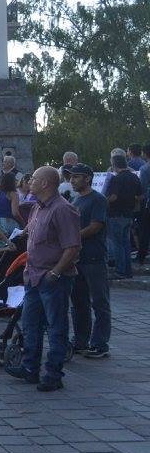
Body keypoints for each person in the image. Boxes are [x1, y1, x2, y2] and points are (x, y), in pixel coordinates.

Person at [6, 166, 80, 392]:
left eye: (34, 179)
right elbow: (28, 233)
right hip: (33, 276)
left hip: (52, 278)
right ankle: (30, 369)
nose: (30, 181)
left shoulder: (63, 209)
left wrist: (55, 272)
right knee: (31, 325)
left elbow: (73, 247)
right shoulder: (37, 207)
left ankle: (53, 374)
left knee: (56, 327)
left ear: (46, 184)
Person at [67, 164, 110, 359]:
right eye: (71, 177)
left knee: (99, 302)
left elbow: (95, 226)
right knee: (78, 302)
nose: (72, 180)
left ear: (88, 178)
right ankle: (81, 341)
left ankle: (100, 344)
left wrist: (72, 236)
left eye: (77, 177)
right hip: (77, 258)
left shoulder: (98, 199)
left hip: (94, 257)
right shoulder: (75, 199)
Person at [106, 152, 141, 280]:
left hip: (116, 214)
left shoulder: (117, 178)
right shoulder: (134, 177)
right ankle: (127, 271)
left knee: (117, 244)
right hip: (128, 214)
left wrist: (104, 201)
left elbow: (114, 197)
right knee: (126, 243)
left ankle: (120, 271)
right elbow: (140, 196)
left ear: (114, 165)